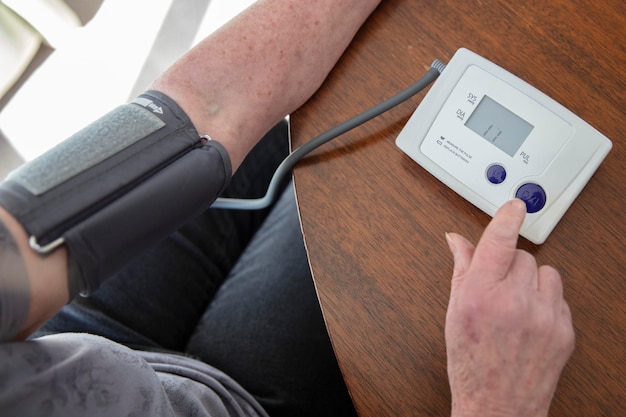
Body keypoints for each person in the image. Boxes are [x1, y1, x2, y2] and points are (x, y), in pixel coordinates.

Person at [0, 0, 575, 416]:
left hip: (74, 347)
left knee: (311, 125)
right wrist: (494, 401)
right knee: (379, 206)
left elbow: (204, 111)